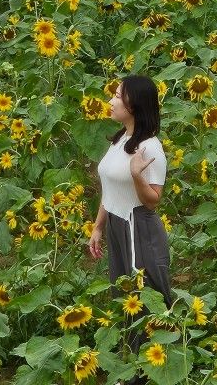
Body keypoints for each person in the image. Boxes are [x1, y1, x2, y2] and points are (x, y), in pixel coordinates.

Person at [89, 76, 170, 322]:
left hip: (139, 227)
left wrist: (137, 175)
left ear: (133, 105)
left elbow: (153, 200)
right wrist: (98, 226)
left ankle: (159, 356)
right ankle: (130, 356)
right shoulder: (121, 139)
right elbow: (110, 189)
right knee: (123, 296)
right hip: (117, 223)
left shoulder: (149, 147)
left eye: (116, 96)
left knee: (147, 298)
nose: (110, 101)